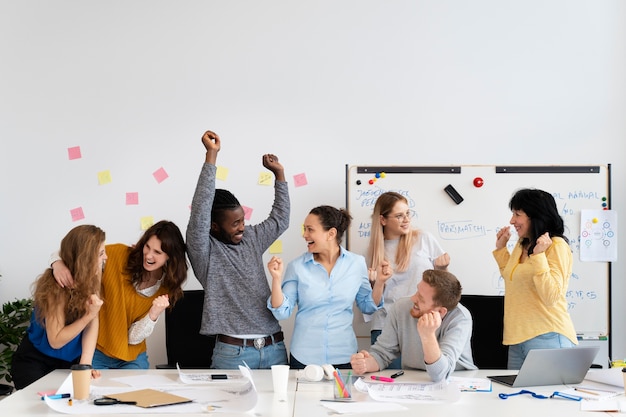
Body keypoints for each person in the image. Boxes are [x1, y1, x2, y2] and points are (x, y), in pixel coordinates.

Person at [186, 129, 290, 369]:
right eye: (235, 224)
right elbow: (201, 208)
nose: (242, 227)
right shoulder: (204, 250)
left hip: (274, 348)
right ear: (213, 226)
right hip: (233, 355)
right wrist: (211, 155)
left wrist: (280, 175)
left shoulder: (251, 238)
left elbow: (280, 220)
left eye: (242, 219)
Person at [51, 220, 188, 369]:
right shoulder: (117, 254)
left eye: (157, 252)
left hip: (132, 356)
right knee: (92, 391)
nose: (148, 255)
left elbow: (132, 338)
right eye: (147, 247)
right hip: (97, 350)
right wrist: (57, 264)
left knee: (138, 392)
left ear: (170, 256)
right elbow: (78, 252)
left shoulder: (165, 288)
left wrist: (153, 315)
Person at [267, 205, 391, 369]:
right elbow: (282, 312)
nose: (304, 235)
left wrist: (380, 283)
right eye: (305, 229)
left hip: (344, 355)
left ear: (331, 234)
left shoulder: (356, 263)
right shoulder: (296, 267)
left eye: (310, 230)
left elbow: (368, 306)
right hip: (305, 356)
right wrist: (276, 279)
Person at [11, 225, 106, 389]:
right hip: (36, 362)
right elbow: (55, 341)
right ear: (86, 258)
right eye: (100, 253)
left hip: (68, 362)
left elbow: (93, 322)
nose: (106, 257)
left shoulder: (93, 275)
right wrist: (88, 316)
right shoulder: (56, 287)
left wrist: (85, 365)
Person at [493, 188, 577, 370]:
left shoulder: (557, 246)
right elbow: (512, 278)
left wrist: (538, 256)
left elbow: (551, 296)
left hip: (548, 336)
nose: (512, 221)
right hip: (517, 339)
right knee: (516, 398)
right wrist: (501, 250)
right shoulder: (522, 244)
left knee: (548, 398)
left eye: (517, 214)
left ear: (535, 215)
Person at [366, 192, 450, 368]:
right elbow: (371, 305)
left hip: (421, 323)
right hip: (387, 326)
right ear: (383, 220)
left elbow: (442, 285)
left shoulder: (423, 239)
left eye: (407, 213)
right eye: (399, 216)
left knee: (423, 381)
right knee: (389, 386)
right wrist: (379, 282)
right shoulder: (374, 254)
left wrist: (442, 268)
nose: (406, 220)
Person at [350, 269, 476, 383]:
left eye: (421, 298)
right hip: (413, 381)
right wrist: (365, 363)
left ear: (441, 312)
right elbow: (382, 354)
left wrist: (428, 336)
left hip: (459, 382)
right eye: (417, 291)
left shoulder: (460, 319)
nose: (413, 299)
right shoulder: (400, 308)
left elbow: (440, 375)